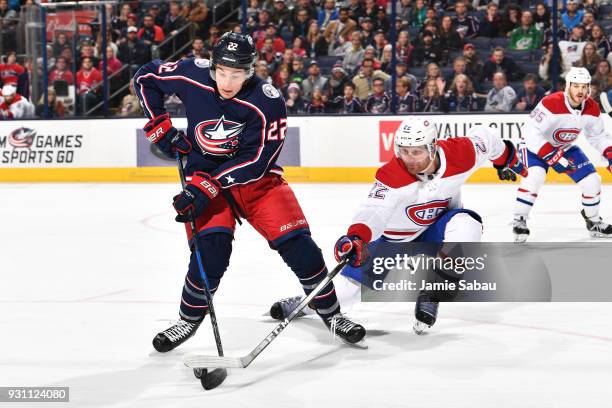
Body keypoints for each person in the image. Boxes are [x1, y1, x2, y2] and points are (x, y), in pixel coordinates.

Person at [133, 32, 366, 352]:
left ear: (251, 71)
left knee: (299, 246)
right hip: (204, 177)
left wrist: (208, 184)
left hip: (255, 183)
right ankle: (187, 319)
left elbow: (257, 160)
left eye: (237, 74)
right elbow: (145, 77)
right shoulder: (191, 73)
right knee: (210, 252)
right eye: (222, 72)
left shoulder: (267, 100)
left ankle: (332, 315)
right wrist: (160, 127)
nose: (228, 82)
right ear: (211, 67)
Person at [268, 117, 527, 334]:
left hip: (436, 232)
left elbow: (488, 139)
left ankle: (432, 292)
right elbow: (373, 211)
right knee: (344, 294)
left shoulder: (461, 154)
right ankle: (302, 303)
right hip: (393, 242)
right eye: (404, 151)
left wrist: (507, 160)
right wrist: (356, 237)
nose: (409, 158)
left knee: (467, 225)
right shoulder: (392, 175)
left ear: (433, 147)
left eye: (416, 151)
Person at [512, 67, 612, 242]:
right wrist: (550, 155)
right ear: (568, 87)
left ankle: (594, 221)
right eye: (576, 86)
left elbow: (597, 136)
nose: (580, 91)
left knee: (592, 181)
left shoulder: (592, 108)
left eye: (584, 86)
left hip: (563, 147)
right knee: (535, 176)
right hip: (535, 147)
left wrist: (610, 154)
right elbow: (529, 132)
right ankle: (520, 220)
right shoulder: (551, 102)